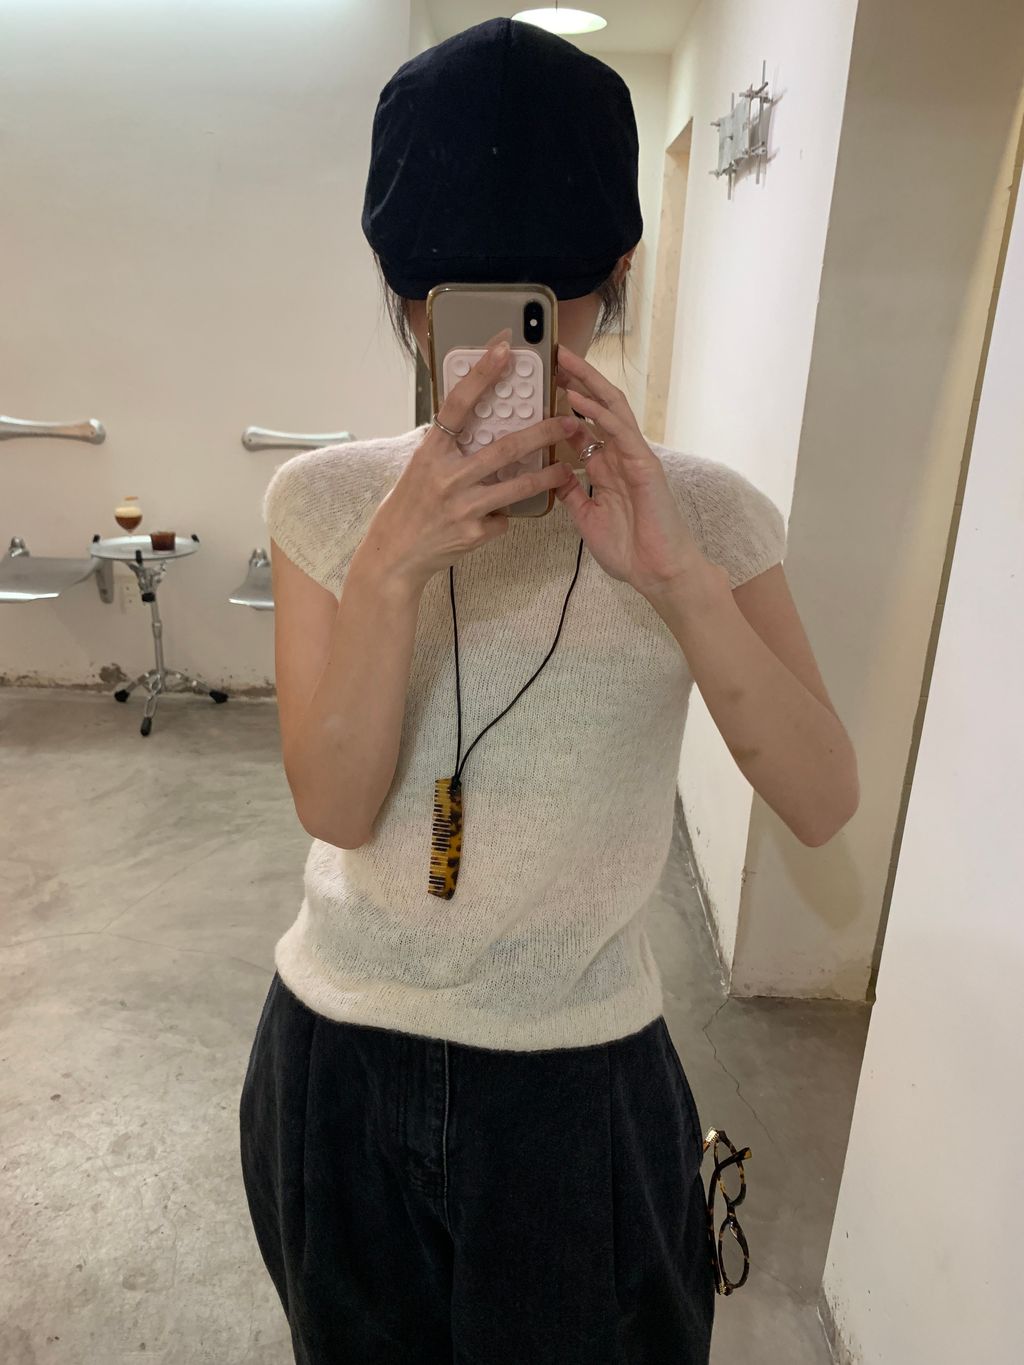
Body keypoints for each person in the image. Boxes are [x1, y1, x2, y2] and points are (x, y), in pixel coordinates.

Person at [238, 17, 858, 1365]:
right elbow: (338, 806)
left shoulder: (706, 512)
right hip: (339, 1063)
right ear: (404, 295)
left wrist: (679, 579)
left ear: (614, 275)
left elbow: (821, 800)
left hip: (581, 1081)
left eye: (541, 302)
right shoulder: (326, 503)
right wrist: (391, 569)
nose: (494, 352)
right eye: (450, 303)